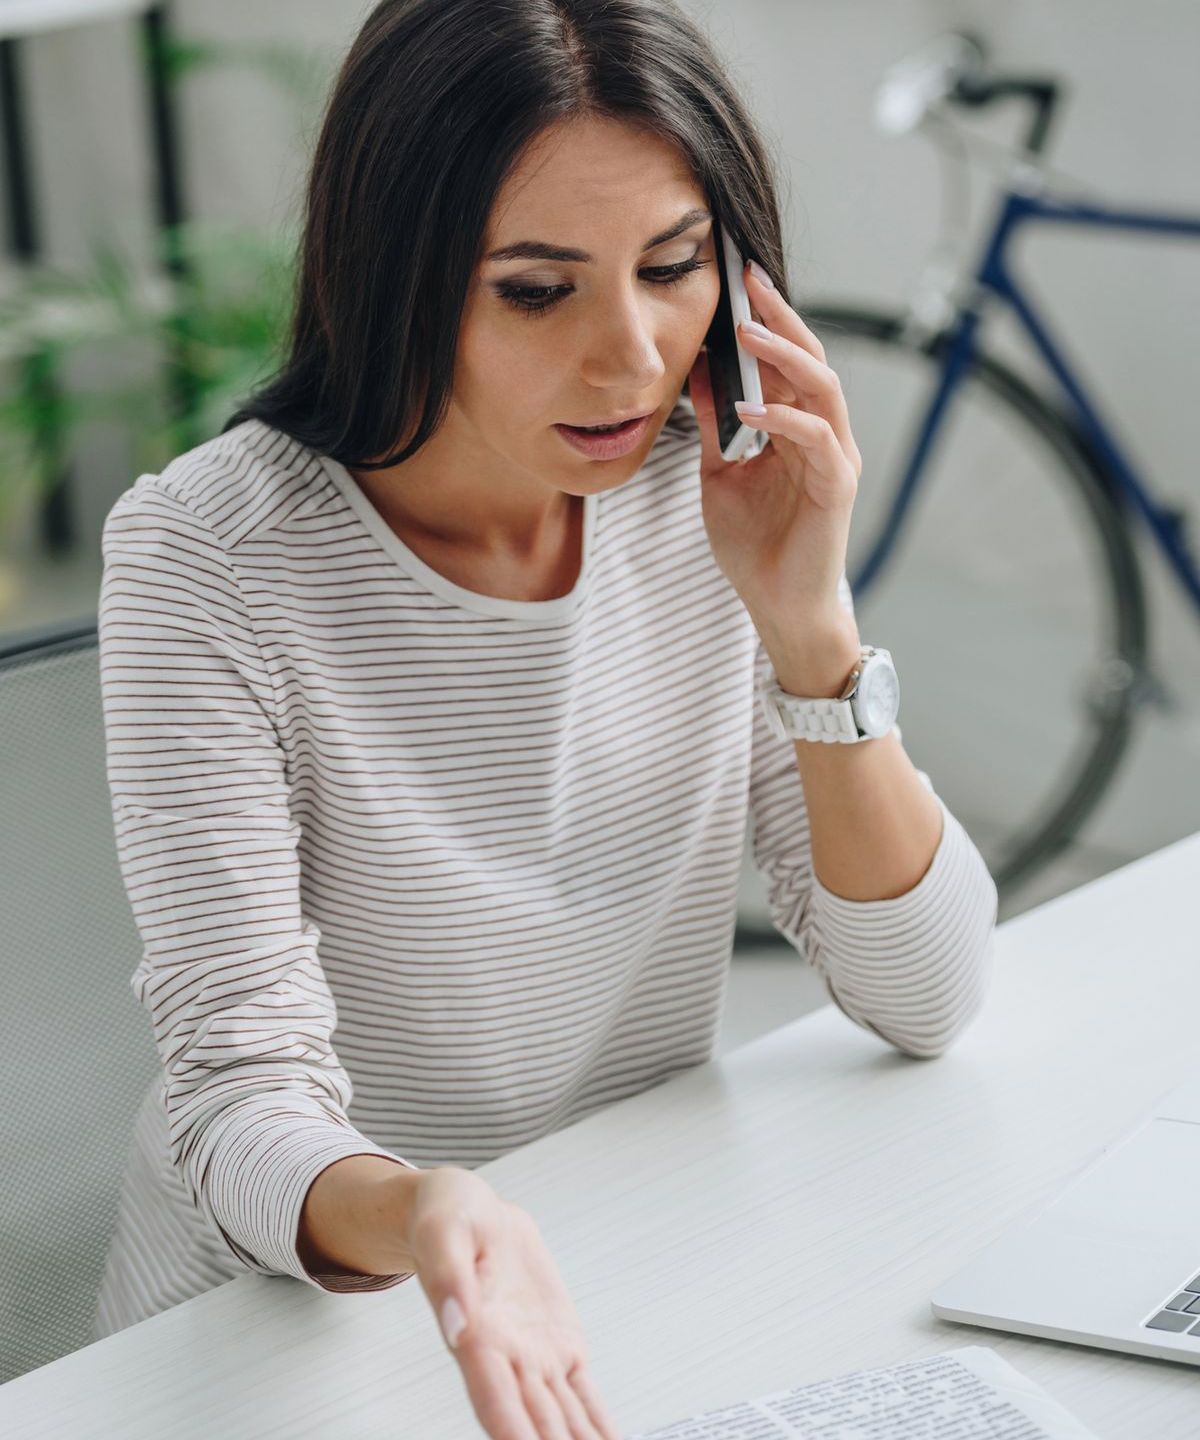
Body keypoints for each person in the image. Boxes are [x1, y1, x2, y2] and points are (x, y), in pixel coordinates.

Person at [91, 1, 999, 1436]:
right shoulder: (208, 559)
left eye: (673, 267)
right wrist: (436, 1214)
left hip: (620, 1259)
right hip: (284, 1329)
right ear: (398, 273)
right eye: (536, 288)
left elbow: (929, 997)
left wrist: (809, 627)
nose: (631, 359)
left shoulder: (707, 495)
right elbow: (237, 1096)